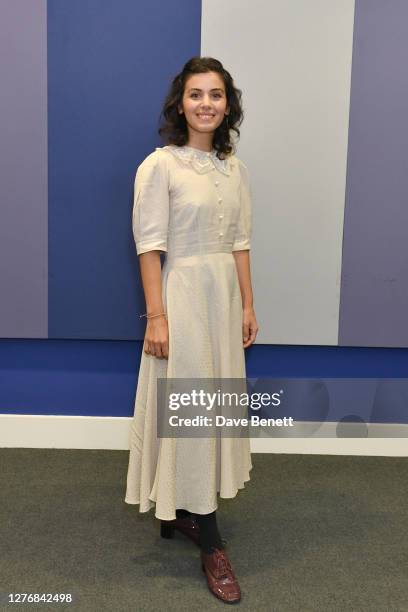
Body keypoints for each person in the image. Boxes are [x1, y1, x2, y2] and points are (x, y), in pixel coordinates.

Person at [125, 56, 258, 604]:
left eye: (217, 94)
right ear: (181, 103)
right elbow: (149, 247)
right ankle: (210, 539)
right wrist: (157, 317)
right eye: (197, 94)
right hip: (181, 298)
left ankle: (181, 511)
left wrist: (248, 306)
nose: (207, 103)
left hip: (223, 299)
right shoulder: (160, 166)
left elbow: (241, 243)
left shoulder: (234, 168)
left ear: (229, 105)